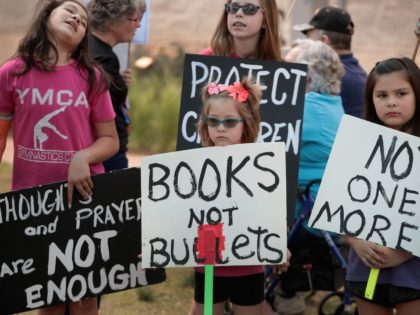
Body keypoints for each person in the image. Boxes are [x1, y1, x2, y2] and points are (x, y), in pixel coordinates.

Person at [0, 0, 119, 314]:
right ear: (46, 15)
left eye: (83, 20)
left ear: (84, 38)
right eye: (70, 10)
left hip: (86, 199)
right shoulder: (11, 73)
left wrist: (83, 157)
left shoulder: (92, 77)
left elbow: (110, 141)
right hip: (34, 203)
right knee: (47, 299)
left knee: (84, 298)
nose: (77, 18)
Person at [191, 79, 290, 315]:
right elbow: (180, 211)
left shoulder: (262, 167)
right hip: (208, 268)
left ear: (246, 124)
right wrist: (157, 243)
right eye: (213, 121)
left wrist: (278, 244)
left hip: (248, 267)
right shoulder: (193, 167)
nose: (221, 128)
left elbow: (272, 212)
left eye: (229, 121)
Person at [274, 39, 345, 315]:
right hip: (322, 207)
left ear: (310, 75)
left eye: (289, 67)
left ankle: (280, 294)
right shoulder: (330, 102)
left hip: (309, 214)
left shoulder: (307, 109)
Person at [346, 57, 420, 315]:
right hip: (365, 270)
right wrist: (356, 243)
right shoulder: (355, 145)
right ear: (371, 99)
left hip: (414, 272)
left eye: (401, 93)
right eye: (382, 95)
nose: (391, 102)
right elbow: (338, 207)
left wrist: (404, 253)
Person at [87, 0, 146, 171]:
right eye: (134, 19)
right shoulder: (102, 58)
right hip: (106, 153)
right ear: (113, 21)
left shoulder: (95, 50)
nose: (138, 25)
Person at [293, 6, 367, 118]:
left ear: (323, 42)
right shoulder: (359, 74)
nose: (305, 46)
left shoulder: (331, 75)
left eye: (309, 40)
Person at [200, 0, 281, 61]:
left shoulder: (280, 70)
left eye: (249, 8)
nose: (238, 13)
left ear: (265, 20)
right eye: (233, 7)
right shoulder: (204, 60)